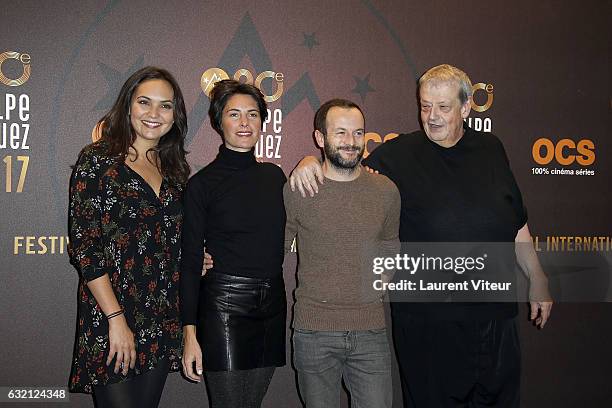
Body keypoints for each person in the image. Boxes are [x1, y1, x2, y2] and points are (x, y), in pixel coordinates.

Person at [289, 64, 552, 407]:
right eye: (425, 106)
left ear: (467, 108)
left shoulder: (492, 148)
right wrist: (309, 160)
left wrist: (537, 275)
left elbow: (515, 222)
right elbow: (345, 164)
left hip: (495, 319)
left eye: (443, 107)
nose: (432, 116)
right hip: (429, 325)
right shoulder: (398, 155)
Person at [68, 66, 190, 408]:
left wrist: (196, 256)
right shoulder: (98, 160)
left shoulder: (176, 170)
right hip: (111, 314)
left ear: (175, 114)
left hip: (162, 316)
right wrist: (115, 320)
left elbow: (170, 240)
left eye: (165, 106)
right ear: (128, 106)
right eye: (144, 102)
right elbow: (86, 247)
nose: (154, 114)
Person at [284, 99, 400, 408]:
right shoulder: (297, 188)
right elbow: (273, 249)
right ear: (320, 139)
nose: (351, 142)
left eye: (358, 133)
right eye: (341, 133)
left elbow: (391, 243)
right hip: (313, 333)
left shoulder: (386, 190)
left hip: (370, 332)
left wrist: (380, 280)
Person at [180, 79, 287, 408]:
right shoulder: (201, 185)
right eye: (234, 114)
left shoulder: (275, 177)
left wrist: (311, 162)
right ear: (218, 121)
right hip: (224, 306)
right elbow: (189, 262)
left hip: (272, 305)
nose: (244, 123)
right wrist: (189, 333)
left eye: (252, 115)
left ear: (262, 122)